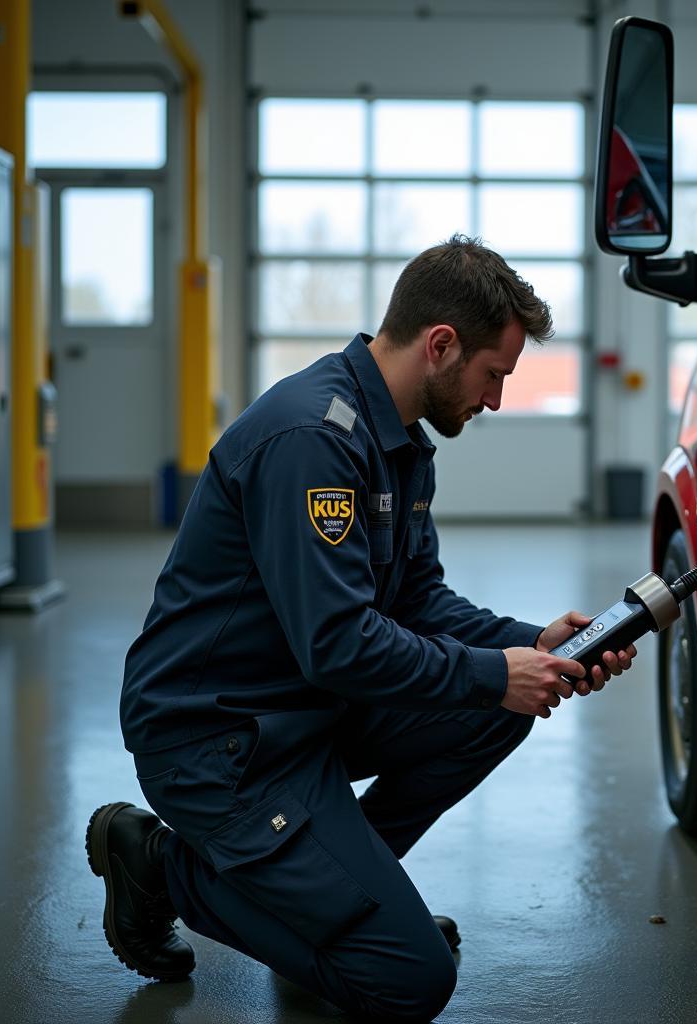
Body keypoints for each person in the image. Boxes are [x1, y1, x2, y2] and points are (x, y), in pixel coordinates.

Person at [86, 235, 637, 1023]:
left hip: (303, 712)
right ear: (441, 345)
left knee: (498, 706)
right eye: (493, 376)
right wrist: (493, 672)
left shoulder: (400, 446)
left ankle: (331, 908)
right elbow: (340, 642)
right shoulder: (314, 440)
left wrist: (532, 646)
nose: (495, 401)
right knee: (409, 981)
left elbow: (418, 601)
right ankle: (160, 867)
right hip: (217, 741)